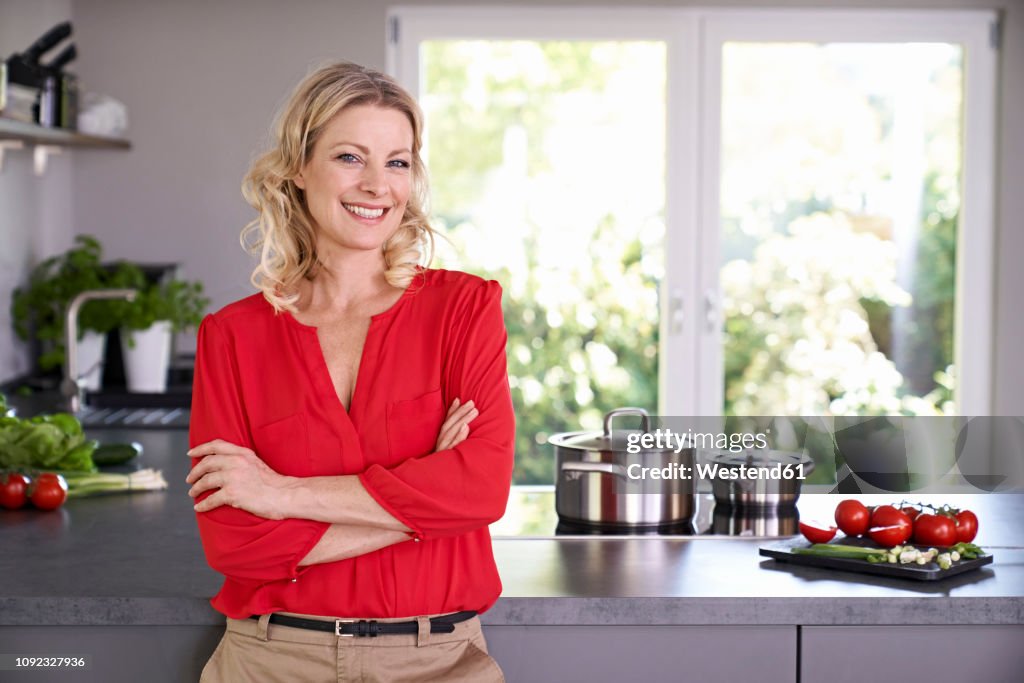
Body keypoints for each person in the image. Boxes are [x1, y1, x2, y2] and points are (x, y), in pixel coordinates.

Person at [184, 61, 515, 682]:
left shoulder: (464, 309)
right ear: (297, 170)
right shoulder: (231, 336)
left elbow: (481, 489)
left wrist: (281, 494)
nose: (377, 185)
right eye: (349, 157)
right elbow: (236, 543)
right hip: (270, 661)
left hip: (438, 662)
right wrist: (426, 510)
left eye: (397, 161)